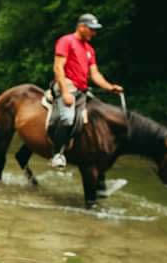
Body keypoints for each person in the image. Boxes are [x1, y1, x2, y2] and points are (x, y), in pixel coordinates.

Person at [49, 13, 124, 168]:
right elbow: (58, 67)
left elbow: (94, 74)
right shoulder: (66, 41)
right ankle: (57, 153)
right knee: (68, 118)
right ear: (81, 27)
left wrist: (110, 87)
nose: (94, 33)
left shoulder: (89, 49)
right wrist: (64, 92)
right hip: (67, 85)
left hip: (81, 90)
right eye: (91, 29)